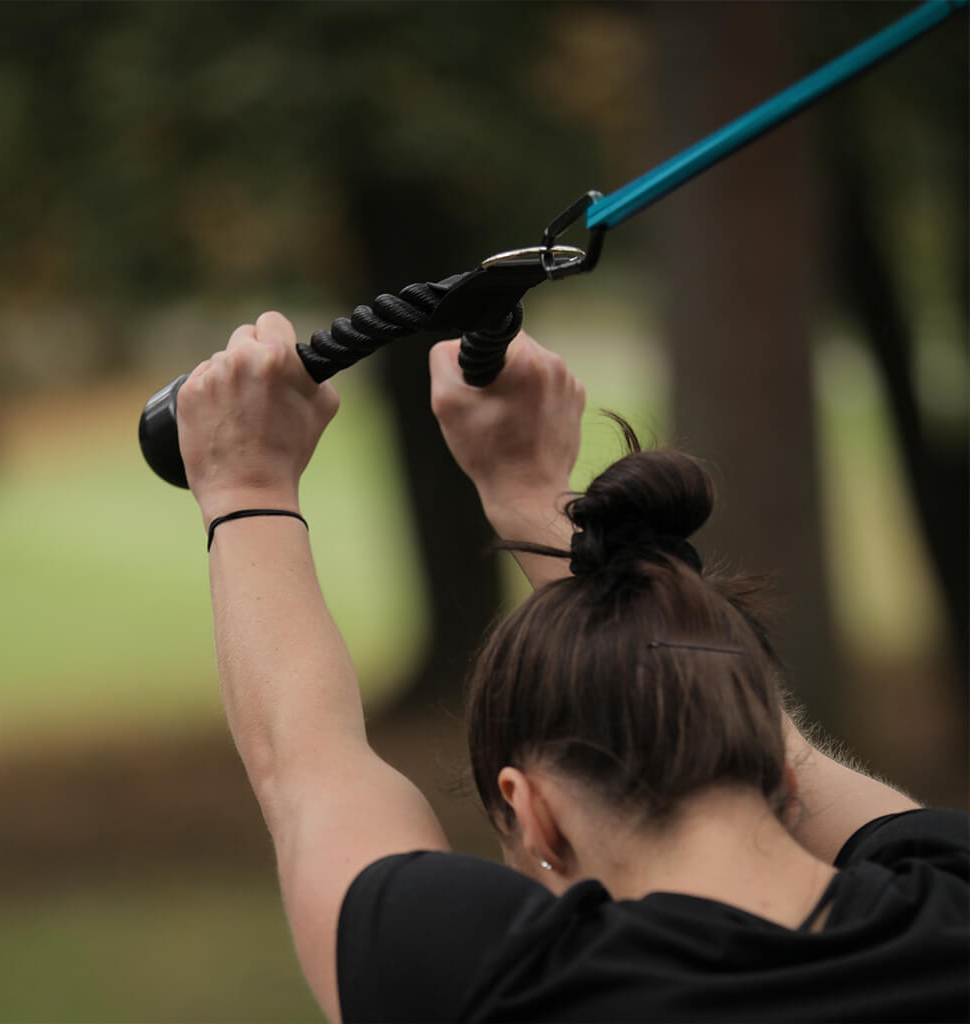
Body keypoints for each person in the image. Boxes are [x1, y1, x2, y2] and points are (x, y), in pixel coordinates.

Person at [176, 311, 968, 1023]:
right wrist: (529, 495)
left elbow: (306, 766)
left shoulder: (502, 984)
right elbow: (753, 723)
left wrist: (243, 480)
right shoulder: (949, 905)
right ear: (786, 786)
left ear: (535, 814)